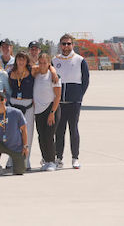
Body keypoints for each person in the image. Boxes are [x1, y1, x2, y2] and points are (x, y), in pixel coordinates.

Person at [54, 33, 89, 170]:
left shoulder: (80, 60)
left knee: (73, 130)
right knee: (59, 131)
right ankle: (59, 158)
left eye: (69, 44)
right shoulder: (55, 60)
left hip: (74, 102)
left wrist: (79, 96)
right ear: (60, 45)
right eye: (64, 44)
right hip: (59, 103)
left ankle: (75, 158)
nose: (66, 46)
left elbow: (85, 80)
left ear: (72, 45)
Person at [0, 91, 28, 175]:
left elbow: (24, 129)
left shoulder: (16, 113)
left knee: (19, 171)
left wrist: (25, 146)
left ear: (5, 100)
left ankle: (18, 164)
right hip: (1, 145)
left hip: (16, 147)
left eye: (1, 99)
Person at [34, 53, 61, 171]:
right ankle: (45, 159)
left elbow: (58, 97)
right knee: (41, 137)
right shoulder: (36, 74)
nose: (42, 65)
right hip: (38, 111)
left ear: (49, 64)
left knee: (49, 136)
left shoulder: (54, 76)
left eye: (45, 63)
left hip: (51, 109)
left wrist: (52, 113)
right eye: (40, 62)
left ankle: (52, 161)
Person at [8, 51, 35, 169]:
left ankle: (26, 160)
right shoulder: (10, 73)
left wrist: (54, 73)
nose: (21, 61)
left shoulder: (33, 71)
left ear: (26, 60)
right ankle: (11, 160)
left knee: (28, 133)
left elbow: (47, 66)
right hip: (13, 104)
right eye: (19, 59)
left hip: (28, 105)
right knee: (13, 133)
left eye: (23, 59)